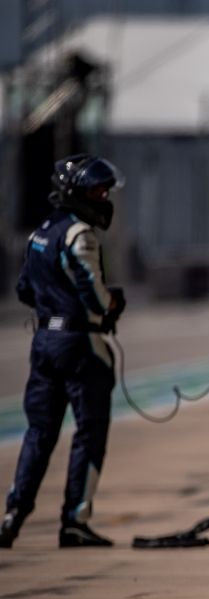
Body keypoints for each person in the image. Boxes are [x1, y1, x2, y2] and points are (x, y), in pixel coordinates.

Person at [1, 155, 127, 548]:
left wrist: (52, 304)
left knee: (38, 431)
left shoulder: (41, 232)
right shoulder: (80, 235)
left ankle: (13, 515)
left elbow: (24, 289)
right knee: (90, 433)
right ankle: (75, 519)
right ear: (77, 193)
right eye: (97, 190)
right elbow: (94, 294)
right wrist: (112, 305)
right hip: (80, 344)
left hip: (44, 343)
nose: (104, 197)